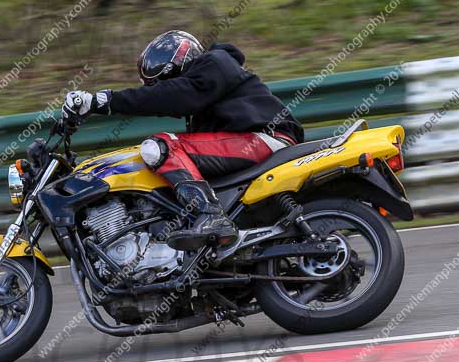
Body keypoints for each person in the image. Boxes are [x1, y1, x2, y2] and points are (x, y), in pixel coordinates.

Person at [61, 30, 304, 251]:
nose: (163, 88)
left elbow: (173, 96)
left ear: (179, 63)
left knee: (162, 148)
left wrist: (104, 101)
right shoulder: (207, 84)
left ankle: (211, 216)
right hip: (242, 142)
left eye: (165, 82)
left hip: (264, 137)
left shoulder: (215, 63)